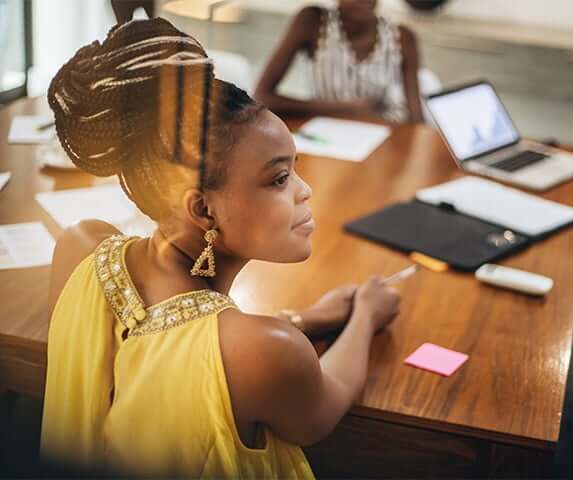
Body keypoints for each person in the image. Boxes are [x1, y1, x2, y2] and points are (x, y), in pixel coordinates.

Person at [41, 18, 400, 478]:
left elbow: (164, 356)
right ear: (203, 210)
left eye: (295, 167)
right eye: (279, 178)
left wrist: (305, 319)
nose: (305, 191)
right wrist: (366, 315)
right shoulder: (265, 350)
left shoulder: (80, 247)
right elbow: (325, 405)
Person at [254, 0, 424, 124]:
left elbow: (417, 121)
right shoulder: (313, 22)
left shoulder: (402, 37)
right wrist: (344, 108)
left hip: (382, 133)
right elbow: (264, 98)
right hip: (327, 135)